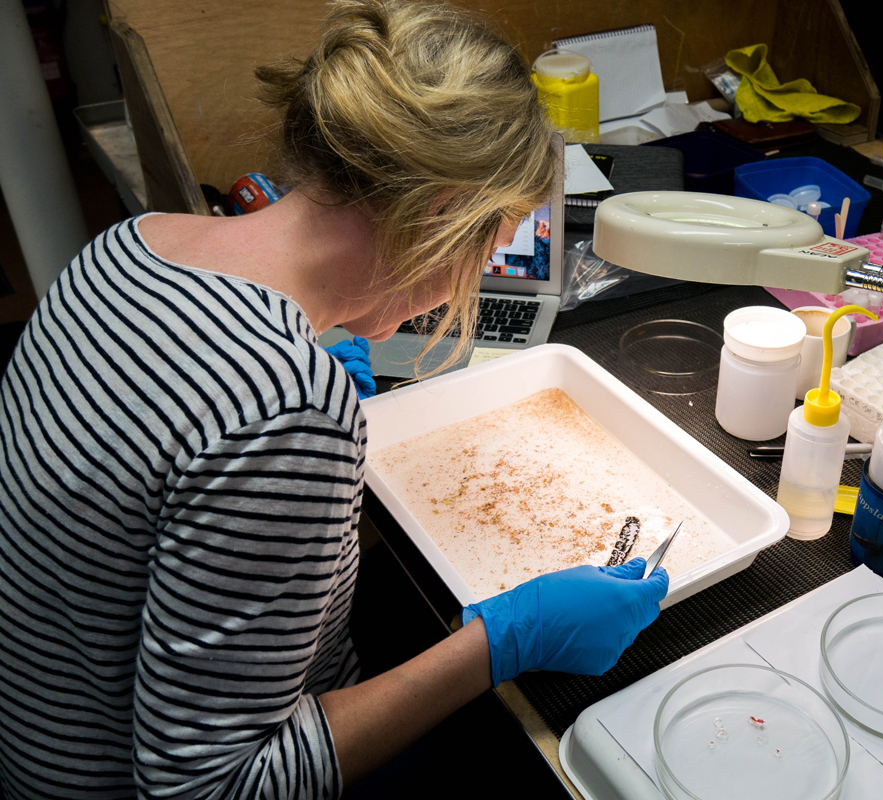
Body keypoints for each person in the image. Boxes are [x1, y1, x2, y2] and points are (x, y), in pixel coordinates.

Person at [0, 2, 668, 797]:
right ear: (441, 216)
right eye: (485, 249)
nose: (465, 285)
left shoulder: (132, 242)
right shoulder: (281, 407)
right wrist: (502, 643)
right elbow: (208, 789)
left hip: (43, 725)